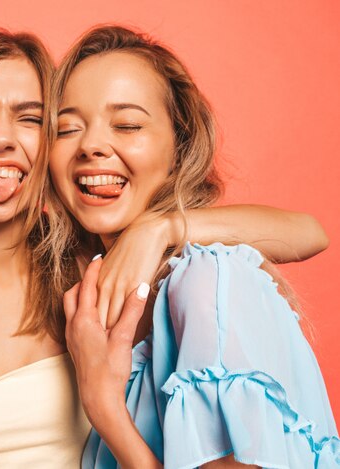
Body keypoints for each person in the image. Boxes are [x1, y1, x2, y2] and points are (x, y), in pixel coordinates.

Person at [0, 29, 329, 468]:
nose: (2, 138)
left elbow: (309, 232)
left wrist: (160, 229)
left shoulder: (93, 270)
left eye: (29, 118)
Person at [52, 26, 339, 468]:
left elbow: (311, 232)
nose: (91, 146)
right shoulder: (89, 296)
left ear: (179, 145)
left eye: (127, 124)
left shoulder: (206, 283)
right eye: (67, 128)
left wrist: (105, 409)